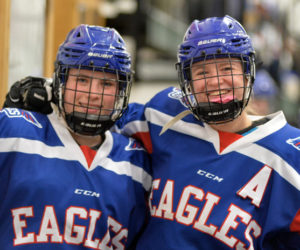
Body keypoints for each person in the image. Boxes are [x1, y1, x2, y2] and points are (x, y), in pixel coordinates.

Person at [4, 16, 300, 249]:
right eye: (202, 72)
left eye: (227, 68)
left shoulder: (290, 158)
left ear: (249, 72)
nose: (215, 82)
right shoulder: (163, 116)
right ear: (186, 81)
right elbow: (100, 107)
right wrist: (48, 89)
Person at [0, 24, 152, 249]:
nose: (93, 95)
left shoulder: (135, 164)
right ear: (60, 82)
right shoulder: (12, 130)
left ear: (122, 91)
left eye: (107, 84)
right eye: (82, 80)